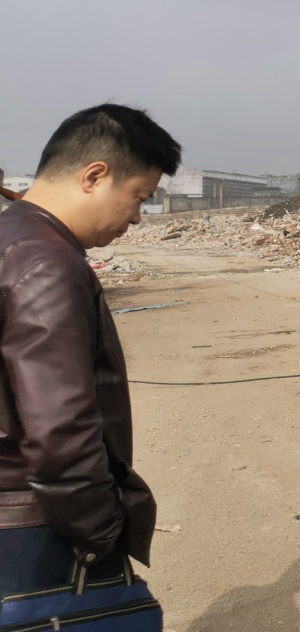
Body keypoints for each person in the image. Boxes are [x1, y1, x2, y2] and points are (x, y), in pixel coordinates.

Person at [0, 104, 180, 601]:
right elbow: (60, 430)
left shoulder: (12, 237)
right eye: (138, 197)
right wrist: (101, 535)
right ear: (94, 176)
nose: (137, 217)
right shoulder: (46, 263)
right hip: (32, 524)